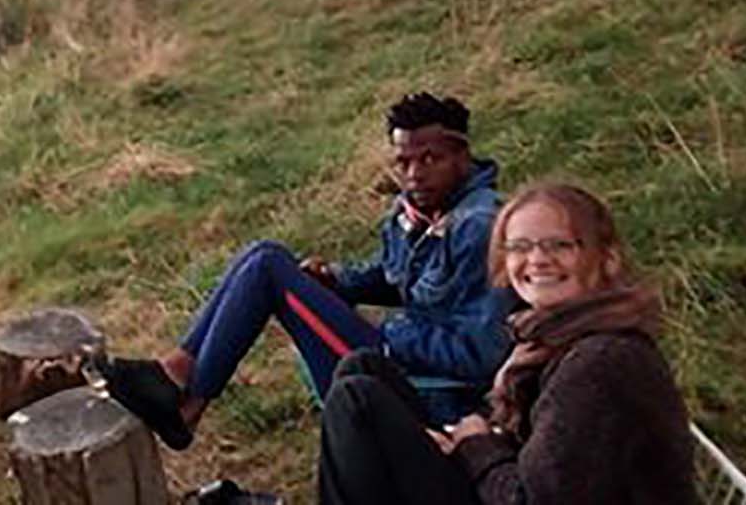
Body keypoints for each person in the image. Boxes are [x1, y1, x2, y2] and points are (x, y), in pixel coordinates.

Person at [95, 92, 512, 450]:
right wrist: (338, 280)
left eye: (430, 159)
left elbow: (482, 355)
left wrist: (390, 333)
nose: (414, 175)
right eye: (403, 162)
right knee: (263, 252)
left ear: (463, 156)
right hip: (396, 359)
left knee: (269, 268)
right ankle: (179, 378)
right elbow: (396, 277)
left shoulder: (479, 228)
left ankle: (183, 398)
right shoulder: (417, 210)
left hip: (426, 394)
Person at [317, 182, 697, 505]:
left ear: (607, 258)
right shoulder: (551, 339)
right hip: (514, 475)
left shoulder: (600, 362)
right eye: (519, 247)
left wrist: (475, 446)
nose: (538, 260)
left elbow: (527, 499)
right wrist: (474, 439)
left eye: (560, 245)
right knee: (363, 368)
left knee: (358, 401)